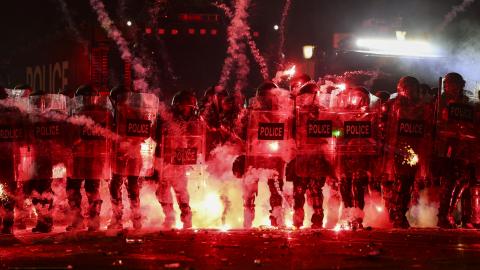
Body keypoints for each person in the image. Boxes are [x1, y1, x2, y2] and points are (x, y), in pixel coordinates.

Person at [240, 81, 293, 228]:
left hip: (274, 155)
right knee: (250, 186)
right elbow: (242, 132)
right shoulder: (251, 113)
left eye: (271, 97)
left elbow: (288, 131)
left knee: (276, 187)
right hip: (255, 155)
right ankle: (248, 216)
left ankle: (277, 216)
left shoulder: (283, 113)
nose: (268, 100)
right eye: (265, 97)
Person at [382, 76, 433, 228]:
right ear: (401, 89)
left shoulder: (423, 107)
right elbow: (382, 126)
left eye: (413, 88)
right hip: (397, 149)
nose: (410, 91)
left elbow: (428, 129)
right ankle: (398, 214)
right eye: (407, 88)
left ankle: (397, 212)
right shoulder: (392, 105)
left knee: (407, 183)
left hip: (415, 149)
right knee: (401, 182)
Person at [109, 87, 159, 230]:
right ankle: (119, 218)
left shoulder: (136, 113)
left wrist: (131, 142)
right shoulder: (114, 114)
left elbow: (146, 132)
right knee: (119, 185)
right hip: (119, 153)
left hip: (131, 153)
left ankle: (134, 219)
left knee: (130, 186)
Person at [286, 81, 335, 228]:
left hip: (317, 156)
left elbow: (333, 132)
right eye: (304, 96)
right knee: (299, 189)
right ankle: (298, 217)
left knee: (315, 188)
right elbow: (289, 132)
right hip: (301, 155)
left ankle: (318, 217)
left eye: (308, 96)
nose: (306, 99)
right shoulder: (296, 112)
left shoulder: (323, 112)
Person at [433, 73, 479, 228]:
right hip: (448, 146)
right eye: (450, 84)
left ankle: (462, 216)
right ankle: (443, 215)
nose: (453, 87)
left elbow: (473, 123)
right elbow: (436, 124)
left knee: (464, 181)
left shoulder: (468, 103)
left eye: (456, 84)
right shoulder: (440, 102)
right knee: (450, 181)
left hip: (465, 146)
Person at [66, 85, 113, 231]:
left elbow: (71, 137)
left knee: (74, 189)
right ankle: (93, 222)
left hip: (82, 158)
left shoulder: (76, 114)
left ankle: (79, 221)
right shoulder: (105, 114)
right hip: (94, 158)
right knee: (91, 189)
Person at [333, 86, 378, 229]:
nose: (358, 101)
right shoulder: (342, 114)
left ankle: (358, 217)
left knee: (358, 187)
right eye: (356, 97)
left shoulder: (371, 115)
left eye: (361, 97)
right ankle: (347, 216)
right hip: (345, 155)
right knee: (345, 186)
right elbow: (335, 132)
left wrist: (369, 141)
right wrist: (340, 134)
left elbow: (375, 136)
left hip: (362, 156)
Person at [157, 90, 203, 229]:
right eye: (185, 106)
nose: (187, 109)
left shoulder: (195, 121)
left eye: (189, 107)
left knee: (180, 189)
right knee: (162, 190)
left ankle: (186, 217)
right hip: (166, 159)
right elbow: (157, 136)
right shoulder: (166, 118)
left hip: (181, 161)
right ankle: (170, 217)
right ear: (178, 106)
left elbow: (197, 141)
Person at [24, 90, 69, 233]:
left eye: (39, 101)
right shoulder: (32, 119)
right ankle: (44, 221)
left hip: (45, 161)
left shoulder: (50, 118)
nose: (37, 104)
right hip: (36, 160)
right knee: (36, 192)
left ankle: (46, 222)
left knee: (42, 192)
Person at [0, 87, 26, 234]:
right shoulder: (16, 112)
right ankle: (8, 223)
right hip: (12, 159)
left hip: (8, 159)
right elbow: (25, 136)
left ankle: (6, 222)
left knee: (7, 192)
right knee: (9, 191)